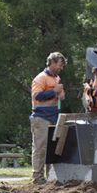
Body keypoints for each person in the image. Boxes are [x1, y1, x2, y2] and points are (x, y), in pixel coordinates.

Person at [29, 52, 67, 184]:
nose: (61, 68)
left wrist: (61, 94)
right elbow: (37, 96)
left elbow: (59, 94)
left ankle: (50, 177)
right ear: (52, 63)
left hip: (53, 117)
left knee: (51, 148)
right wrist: (54, 91)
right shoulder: (40, 78)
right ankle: (37, 178)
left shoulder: (57, 78)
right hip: (41, 117)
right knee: (40, 148)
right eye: (60, 65)